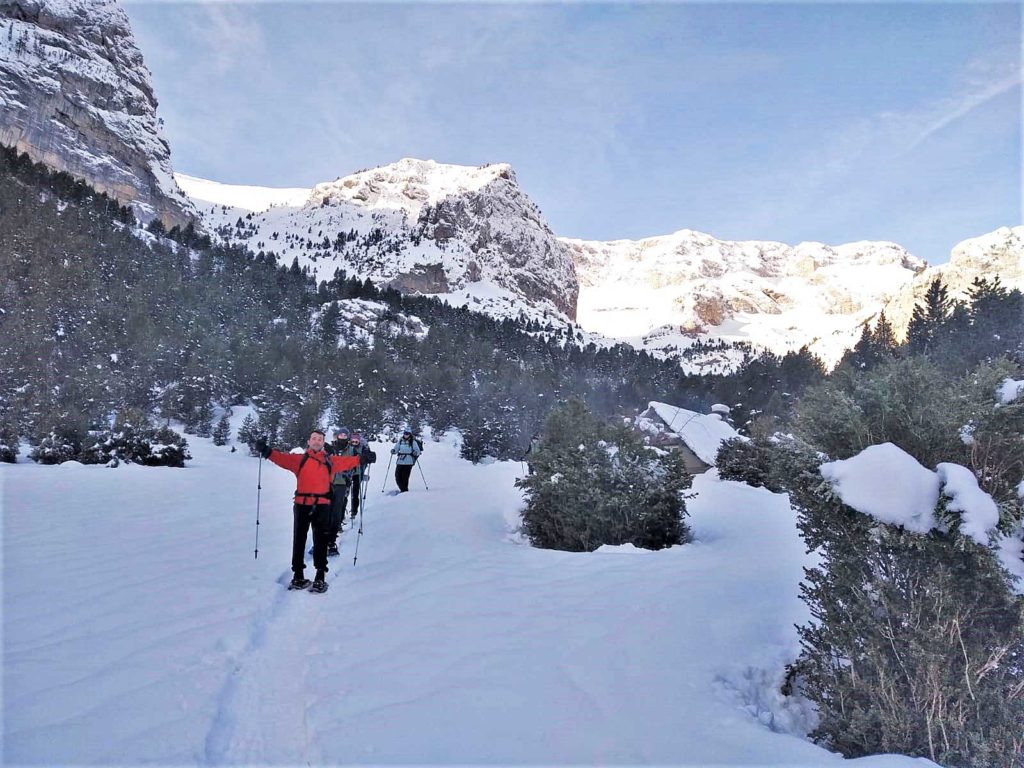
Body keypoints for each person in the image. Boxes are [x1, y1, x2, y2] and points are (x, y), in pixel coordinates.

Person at [255, 429, 360, 592]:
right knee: (299, 541)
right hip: (301, 506)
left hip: (322, 506)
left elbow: (348, 462)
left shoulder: (330, 461)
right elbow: (281, 458)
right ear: (309, 442)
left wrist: (363, 458)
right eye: (314, 439)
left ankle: (320, 577)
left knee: (321, 541)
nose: (317, 441)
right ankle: (298, 576)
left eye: (320, 439)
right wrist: (266, 450)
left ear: (323, 443)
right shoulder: (299, 460)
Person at [325, 426, 358, 555]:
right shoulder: (330, 448)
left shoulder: (351, 450)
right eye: (341, 435)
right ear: (337, 436)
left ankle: (331, 541)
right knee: (324, 511)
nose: (342, 437)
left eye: (345, 435)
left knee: (336, 512)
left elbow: (356, 464)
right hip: (327, 483)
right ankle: (321, 539)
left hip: (342, 483)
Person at [348, 430, 376, 521]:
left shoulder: (364, 447)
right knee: (345, 492)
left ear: (359, 440)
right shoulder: (348, 446)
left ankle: (354, 511)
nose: (354, 443)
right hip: (348, 471)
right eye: (353, 441)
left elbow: (369, 456)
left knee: (355, 491)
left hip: (358, 471)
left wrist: (365, 458)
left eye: (356, 441)